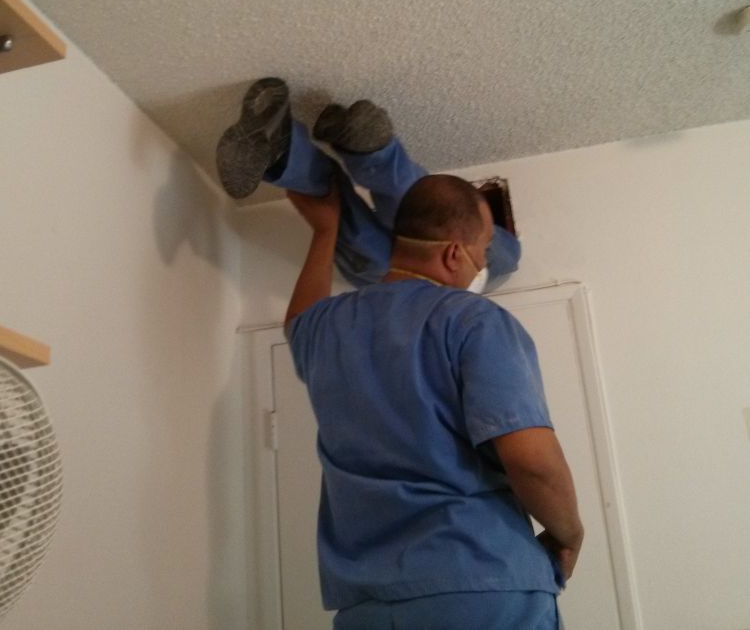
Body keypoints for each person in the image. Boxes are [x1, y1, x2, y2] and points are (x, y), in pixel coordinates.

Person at [284, 173, 584, 630]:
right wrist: (570, 535)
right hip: (481, 589)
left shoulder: (326, 329)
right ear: (452, 253)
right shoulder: (473, 320)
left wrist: (325, 230)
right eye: (484, 249)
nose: (483, 262)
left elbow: (297, 319)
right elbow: (532, 462)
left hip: (366, 607)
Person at [215, 77, 521, 289]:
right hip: (476, 277)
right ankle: (293, 154)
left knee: (391, 248)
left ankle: (363, 149)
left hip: (443, 283)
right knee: (386, 252)